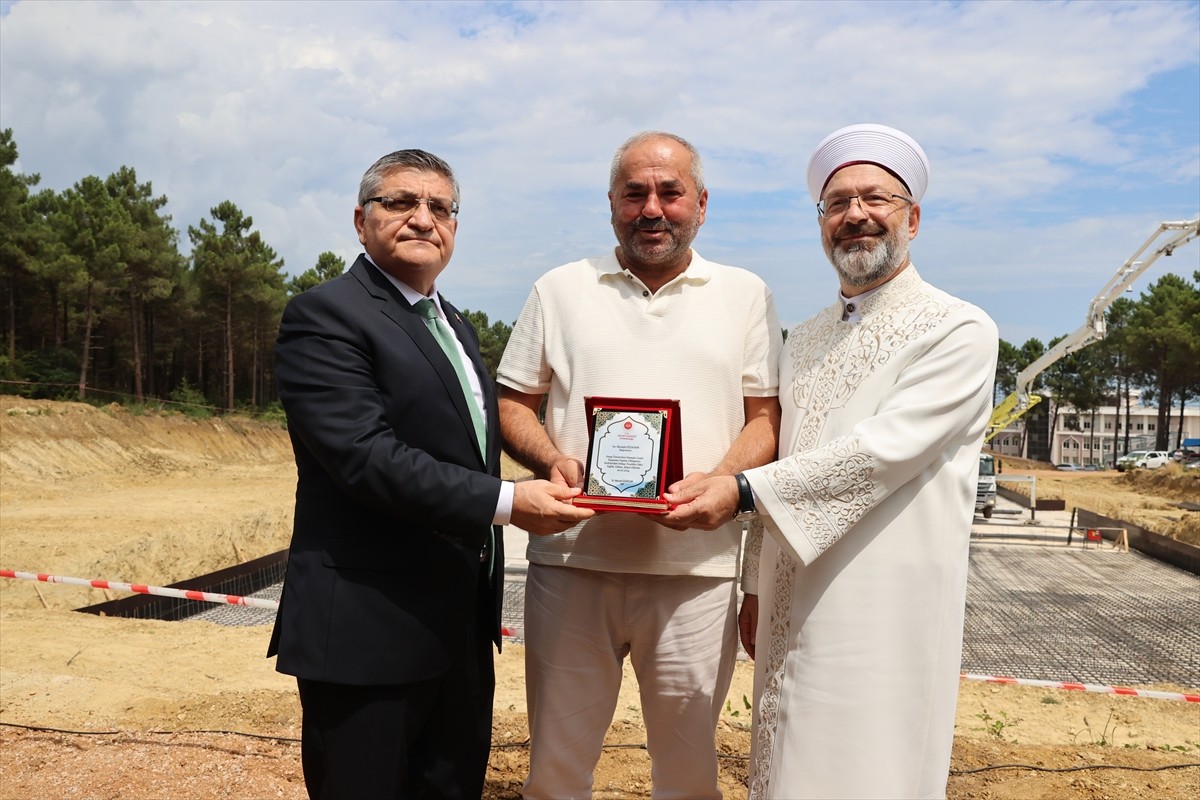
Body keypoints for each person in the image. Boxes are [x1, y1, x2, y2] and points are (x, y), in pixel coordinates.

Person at [666, 123, 999, 799]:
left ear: (914, 216)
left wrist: (738, 490)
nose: (855, 216)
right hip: (791, 595)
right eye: (837, 203)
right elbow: (790, 451)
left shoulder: (959, 328)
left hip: (885, 605)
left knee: (870, 766)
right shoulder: (807, 337)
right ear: (822, 224)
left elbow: (880, 453)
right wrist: (758, 586)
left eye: (874, 198)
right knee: (787, 763)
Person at [267, 148, 592, 799]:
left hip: (457, 632)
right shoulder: (326, 315)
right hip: (366, 634)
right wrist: (507, 501)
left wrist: (553, 459)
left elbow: (466, 443)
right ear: (361, 222)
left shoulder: (456, 328)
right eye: (401, 203)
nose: (423, 218)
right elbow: (365, 456)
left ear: (454, 228)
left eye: (440, 207)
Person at [497, 131, 782, 799]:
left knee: (687, 774)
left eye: (670, 192)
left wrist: (722, 486)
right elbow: (513, 402)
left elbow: (765, 417)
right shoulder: (560, 288)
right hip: (572, 565)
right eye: (634, 194)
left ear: (702, 204)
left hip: (696, 571)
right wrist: (552, 458)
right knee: (556, 769)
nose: (652, 208)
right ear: (612, 204)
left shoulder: (744, 294)